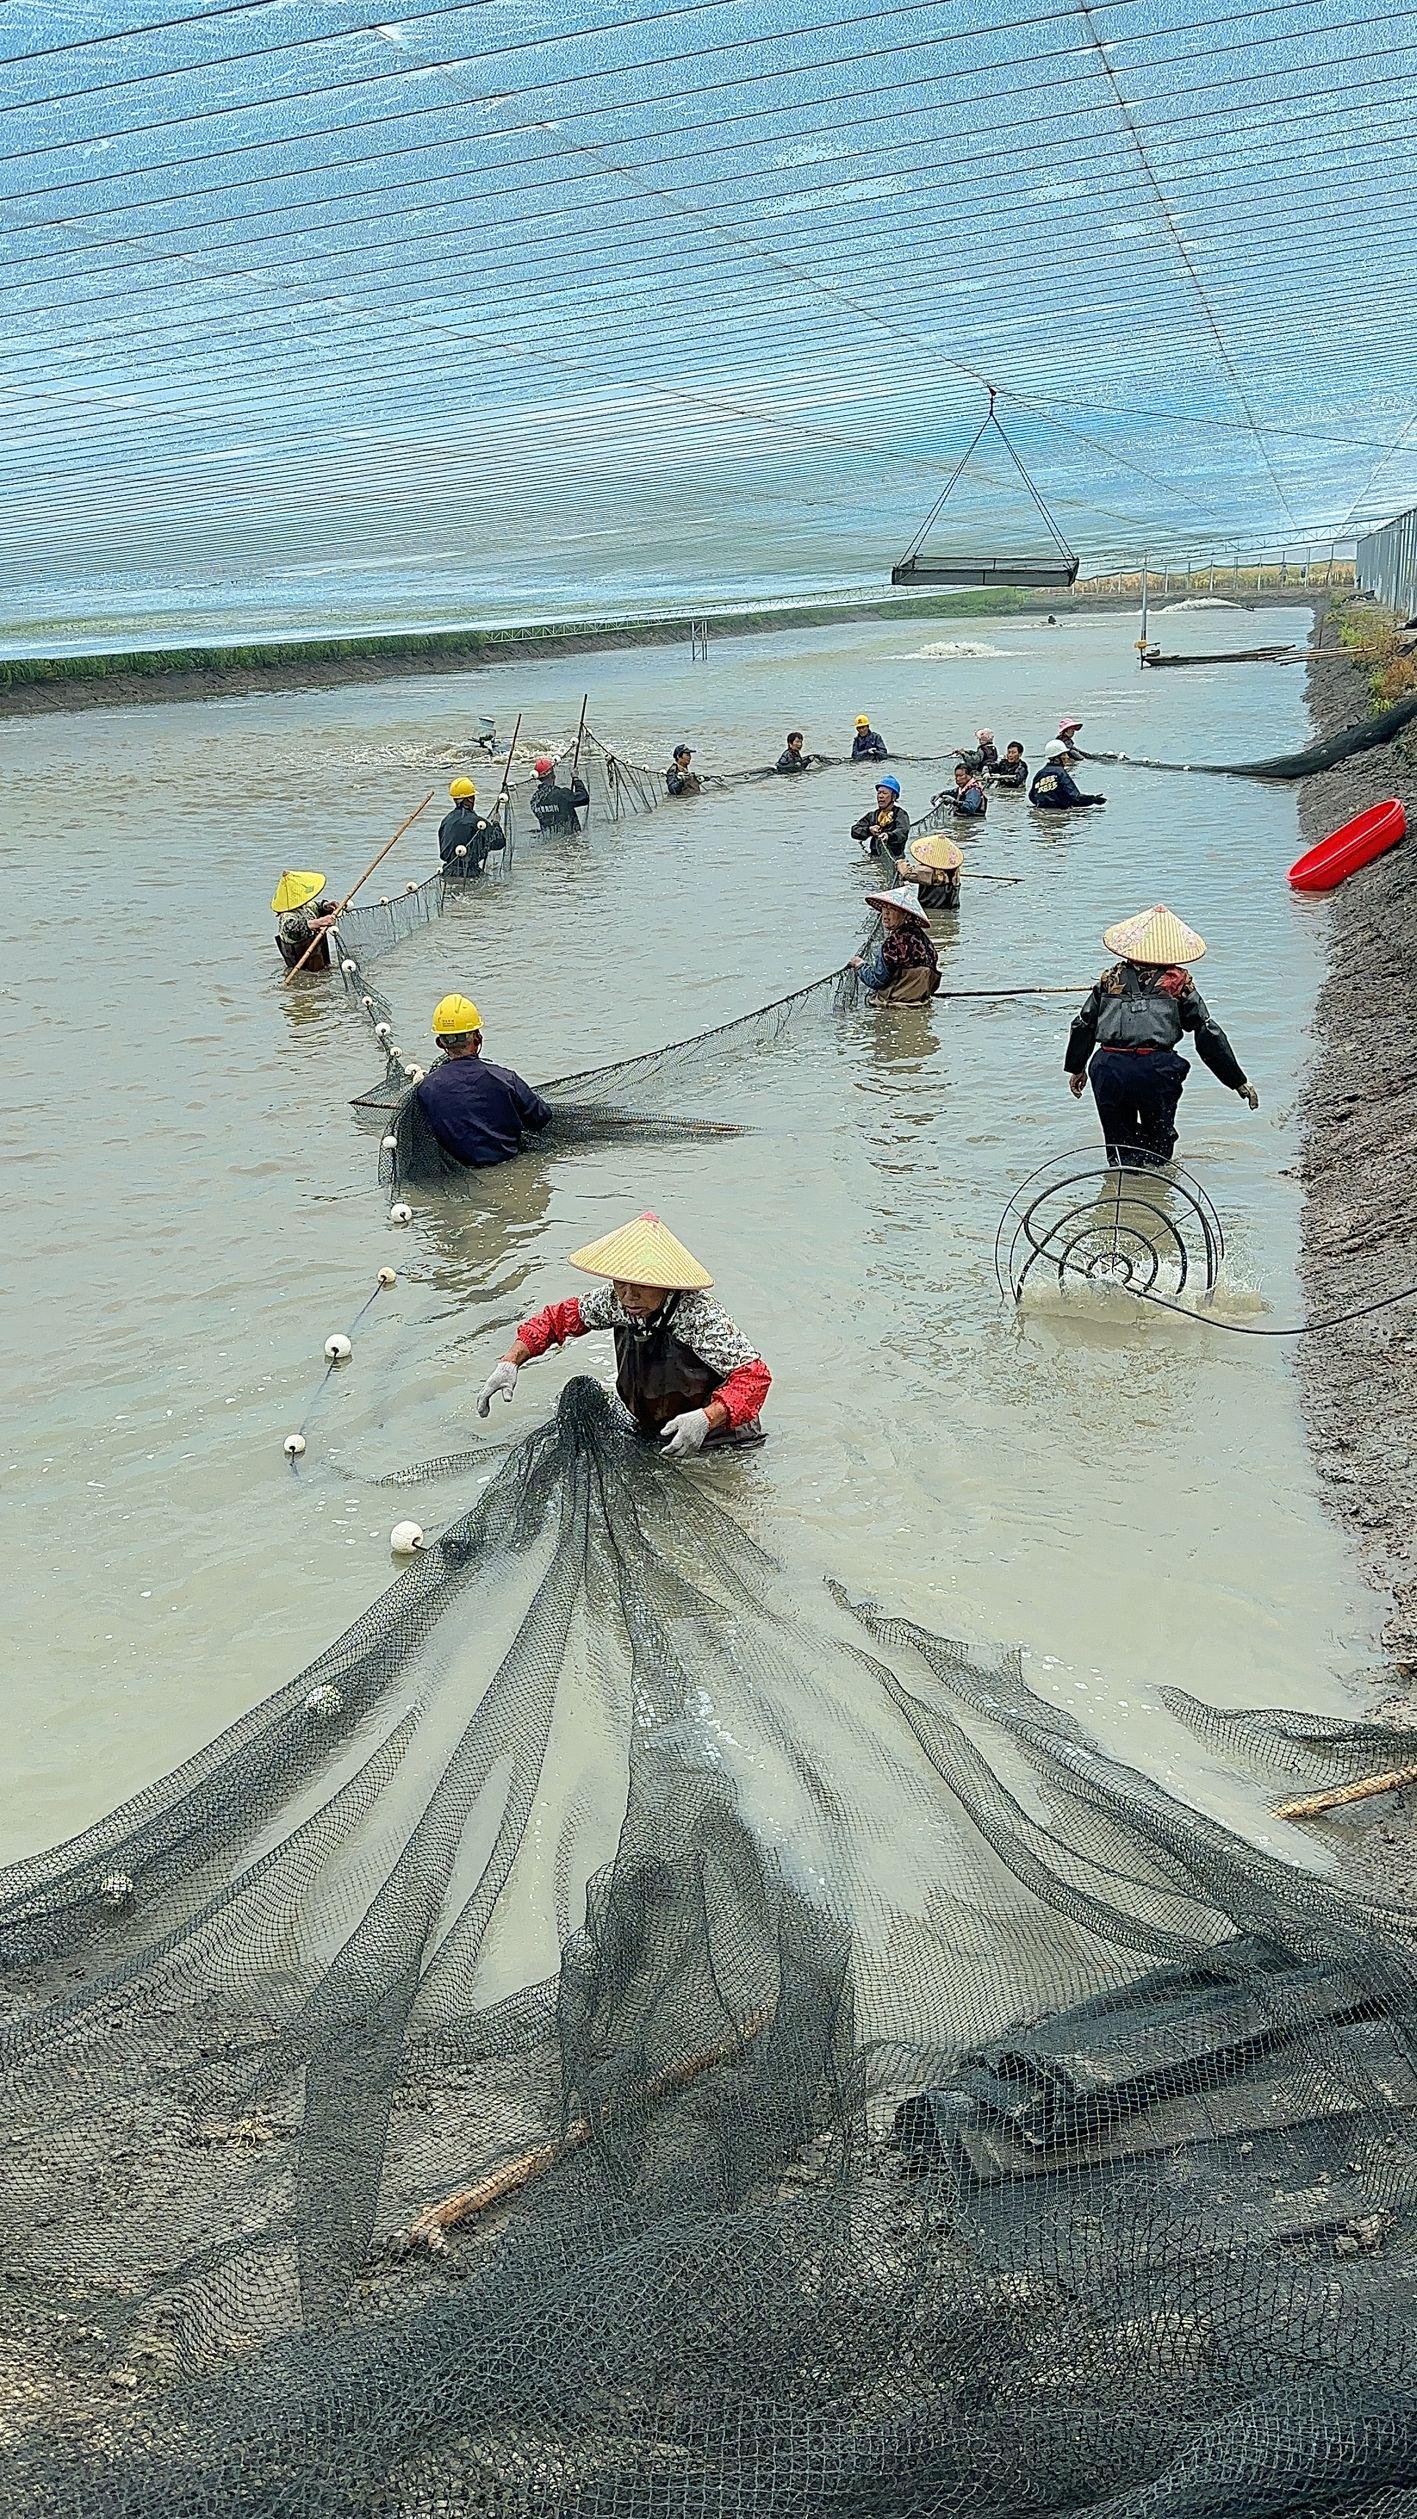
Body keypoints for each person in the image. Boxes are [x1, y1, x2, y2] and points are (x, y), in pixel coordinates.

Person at [477, 1210, 770, 1455]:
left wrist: (707, 1419)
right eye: (622, 1284)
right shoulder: (614, 1301)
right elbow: (557, 1320)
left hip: (719, 1437)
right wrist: (511, 1361)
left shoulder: (698, 1315)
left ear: (666, 1282)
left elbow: (754, 1377)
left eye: (641, 1286)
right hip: (655, 1427)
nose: (630, 1297)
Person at [1064, 905, 1259, 1168]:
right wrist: (1237, 1081)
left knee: (1120, 1148)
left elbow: (1084, 1023)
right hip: (1156, 1071)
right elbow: (1206, 1031)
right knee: (1159, 1146)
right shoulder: (1177, 982)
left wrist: (1077, 1068)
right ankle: (1159, 1196)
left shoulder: (1110, 979)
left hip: (1109, 1069)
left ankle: (1124, 1196)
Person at [414, 994, 553, 1168]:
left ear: (440, 1043)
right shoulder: (507, 1079)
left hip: (460, 1175)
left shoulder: (426, 1088)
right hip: (510, 1167)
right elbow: (541, 1117)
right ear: (477, 1037)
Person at [850, 887, 941, 1005]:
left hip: (896, 1004)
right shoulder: (924, 940)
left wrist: (859, 965)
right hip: (922, 1002)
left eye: (892, 910)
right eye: (884, 908)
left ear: (906, 915)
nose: (886, 914)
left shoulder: (891, 945)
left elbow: (876, 981)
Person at [438, 778, 504, 880]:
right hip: (470, 874)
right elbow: (499, 842)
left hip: (448, 872)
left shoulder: (446, 820)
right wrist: (496, 823)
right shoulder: (477, 822)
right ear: (470, 799)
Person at [272, 869, 338, 971]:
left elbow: (317, 906)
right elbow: (293, 928)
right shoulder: (286, 916)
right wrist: (320, 922)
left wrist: (327, 906)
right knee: (308, 977)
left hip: (318, 957)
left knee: (324, 972)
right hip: (302, 964)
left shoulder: (305, 906)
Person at [1029, 740, 1105, 811]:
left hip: (1042, 812)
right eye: (1064, 754)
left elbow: (1032, 797)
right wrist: (1093, 799)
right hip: (1059, 814)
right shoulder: (1061, 773)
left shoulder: (1040, 773)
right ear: (1057, 757)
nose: (1067, 757)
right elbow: (1075, 798)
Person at [898, 830, 963, 912]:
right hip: (952, 909)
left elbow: (907, 874)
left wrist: (900, 863)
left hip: (929, 909)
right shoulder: (954, 870)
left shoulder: (926, 871)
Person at [851, 775, 910, 861]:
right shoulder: (873, 815)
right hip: (874, 857)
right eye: (879, 793)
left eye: (884, 793)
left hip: (895, 859)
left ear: (893, 797)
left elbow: (902, 832)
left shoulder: (900, 815)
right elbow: (855, 830)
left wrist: (888, 836)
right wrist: (869, 830)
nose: (880, 796)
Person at [530, 756, 591, 834]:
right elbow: (584, 798)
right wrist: (576, 778)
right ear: (553, 775)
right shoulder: (561, 794)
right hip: (570, 838)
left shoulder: (535, 800)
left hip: (549, 839)